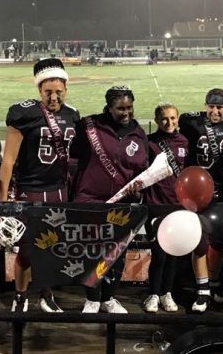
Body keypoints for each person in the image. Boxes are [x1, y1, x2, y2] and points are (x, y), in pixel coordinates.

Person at [0, 58, 80, 313]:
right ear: (39, 90)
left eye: (59, 91)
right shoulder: (25, 113)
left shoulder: (72, 114)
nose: (54, 97)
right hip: (30, 189)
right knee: (26, 250)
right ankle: (20, 296)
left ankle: (46, 294)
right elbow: (8, 159)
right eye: (48, 92)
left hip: (59, 189)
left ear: (66, 88)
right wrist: (2, 201)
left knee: (52, 247)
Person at [70, 86, 148, 314]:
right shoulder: (89, 126)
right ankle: (92, 298)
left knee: (117, 254)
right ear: (109, 107)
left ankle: (109, 298)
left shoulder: (138, 133)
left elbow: (140, 170)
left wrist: (137, 192)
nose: (126, 113)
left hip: (121, 202)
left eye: (129, 108)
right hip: (89, 199)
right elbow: (73, 156)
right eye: (120, 108)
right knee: (92, 252)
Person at [179, 88, 223, 312]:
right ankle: (203, 288)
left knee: (220, 239)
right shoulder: (192, 122)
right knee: (200, 238)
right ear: (205, 106)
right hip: (199, 190)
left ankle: (214, 281)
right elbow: (183, 118)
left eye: (220, 107)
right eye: (211, 106)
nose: (215, 111)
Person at [143, 103, 189, 313]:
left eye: (172, 118)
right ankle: (153, 293)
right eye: (164, 119)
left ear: (178, 119)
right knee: (159, 253)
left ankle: (167, 293)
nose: (169, 122)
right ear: (156, 121)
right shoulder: (150, 143)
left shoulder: (184, 142)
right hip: (155, 206)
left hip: (177, 206)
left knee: (173, 254)